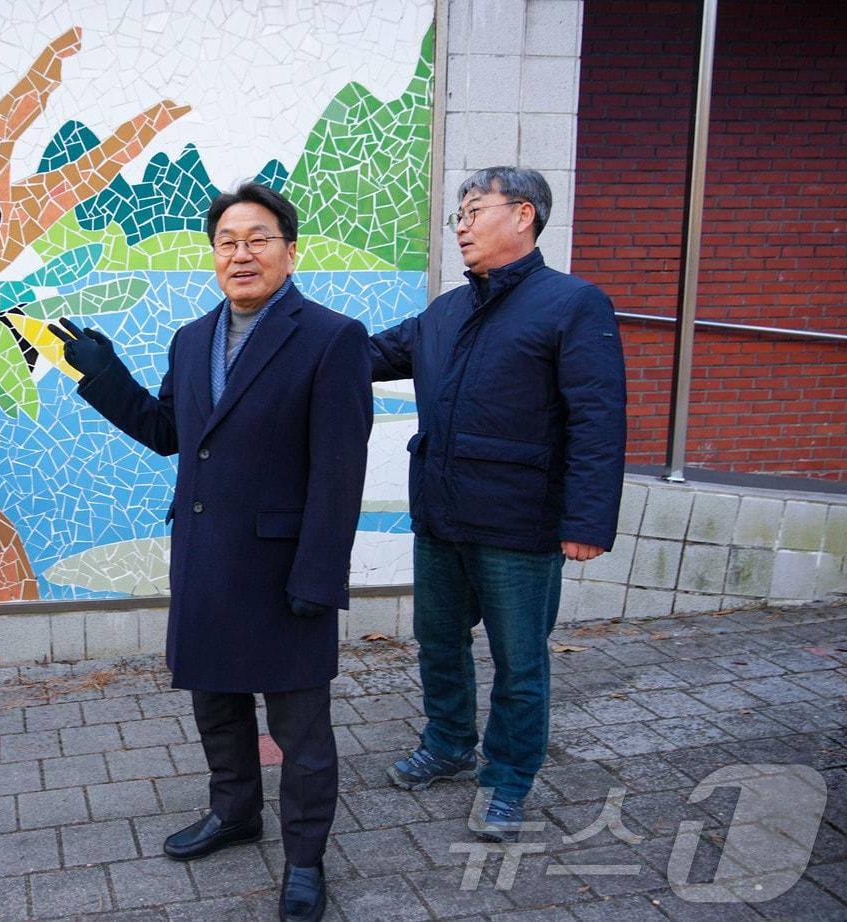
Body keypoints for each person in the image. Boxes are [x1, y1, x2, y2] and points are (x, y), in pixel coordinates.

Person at [53, 183, 371, 922]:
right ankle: (235, 815)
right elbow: (169, 431)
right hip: (205, 558)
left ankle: (304, 859)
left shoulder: (333, 337)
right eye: (228, 241)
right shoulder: (191, 338)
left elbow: (339, 471)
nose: (242, 253)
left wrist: (320, 574)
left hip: (285, 568)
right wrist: (103, 377)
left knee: (301, 732)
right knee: (217, 707)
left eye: (258, 238)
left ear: (290, 252)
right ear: (213, 256)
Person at [370, 166, 626, 840]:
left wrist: (587, 519)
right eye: (458, 213)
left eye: (473, 210)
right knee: (438, 642)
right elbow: (364, 355)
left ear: (523, 215)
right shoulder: (446, 312)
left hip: (521, 524)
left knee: (520, 660)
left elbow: (597, 420)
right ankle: (450, 743)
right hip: (442, 515)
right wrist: (293, 330)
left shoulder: (573, 304)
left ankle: (508, 780)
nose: (460, 224)